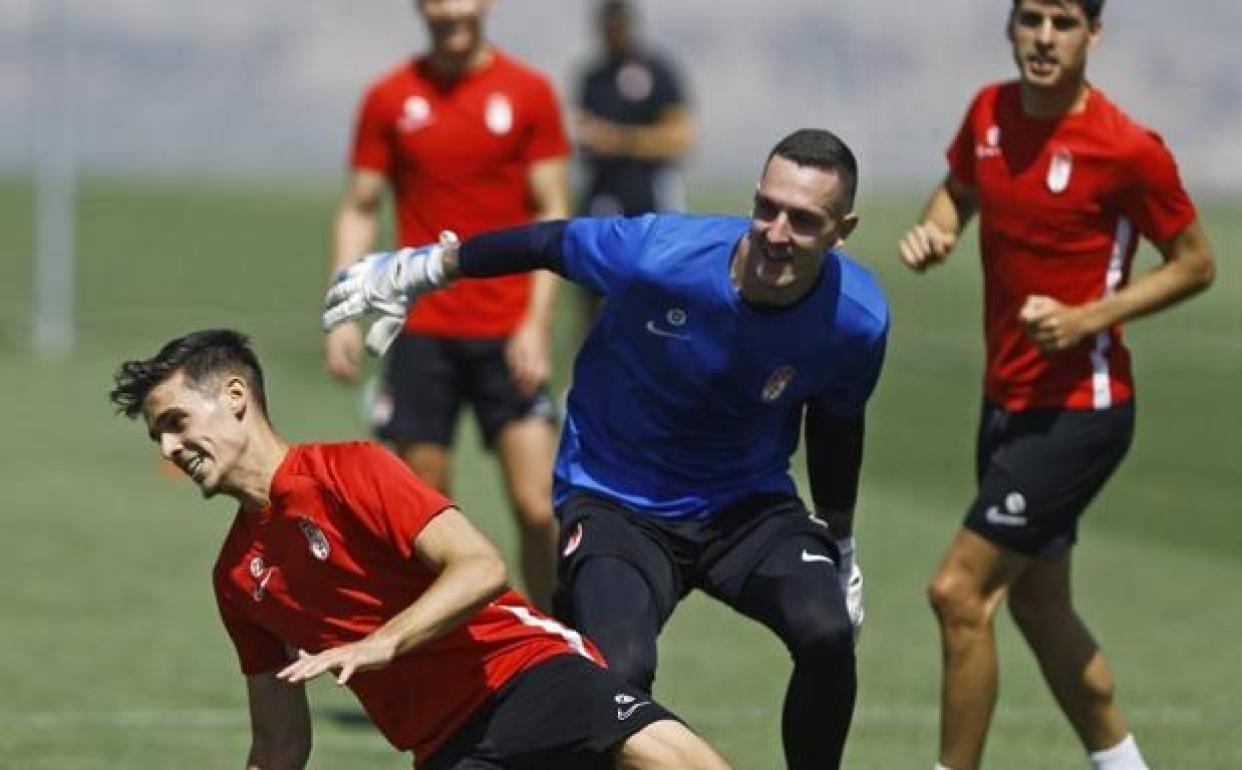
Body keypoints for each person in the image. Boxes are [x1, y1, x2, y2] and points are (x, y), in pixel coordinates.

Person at [324, 128, 889, 770]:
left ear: (843, 230)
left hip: (747, 507)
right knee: (616, 672)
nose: (776, 232)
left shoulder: (858, 318)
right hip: (618, 503)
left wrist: (840, 548)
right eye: (767, 207)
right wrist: (423, 268)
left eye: (804, 220)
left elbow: (838, 425)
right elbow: (548, 242)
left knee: (827, 634)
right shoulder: (662, 254)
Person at [109, 329, 733, 770]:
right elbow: (278, 746)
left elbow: (481, 565)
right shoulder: (238, 579)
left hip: (525, 672)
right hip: (445, 745)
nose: (168, 448)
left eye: (176, 423)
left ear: (236, 398)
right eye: (157, 436)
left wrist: (385, 641)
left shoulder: (350, 471)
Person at [898, 2, 1216, 769]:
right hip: (1005, 402)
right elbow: (958, 190)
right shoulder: (989, 112)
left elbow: (1195, 263)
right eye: (1031, 17)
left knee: (958, 593)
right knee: (1040, 607)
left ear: (1092, 35)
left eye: (1065, 21)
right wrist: (936, 228)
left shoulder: (1127, 148)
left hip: (1082, 411)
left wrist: (1088, 318)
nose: (1045, 37)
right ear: (1010, 27)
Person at [322, 0, 570, 609]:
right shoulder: (389, 98)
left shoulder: (529, 92)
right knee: (429, 516)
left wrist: (536, 323)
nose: (449, 9)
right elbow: (359, 207)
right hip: (422, 331)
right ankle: (454, 668)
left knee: (538, 505)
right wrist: (344, 307)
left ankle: (569, 651)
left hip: (507, 330)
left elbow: (553, 210)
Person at [573, 0, 693, 219]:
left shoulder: (657, 72)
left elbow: (680, 137)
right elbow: (582, 127)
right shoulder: (594, 78)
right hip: (604, 193)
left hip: (653, 189)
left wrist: (620, 140)